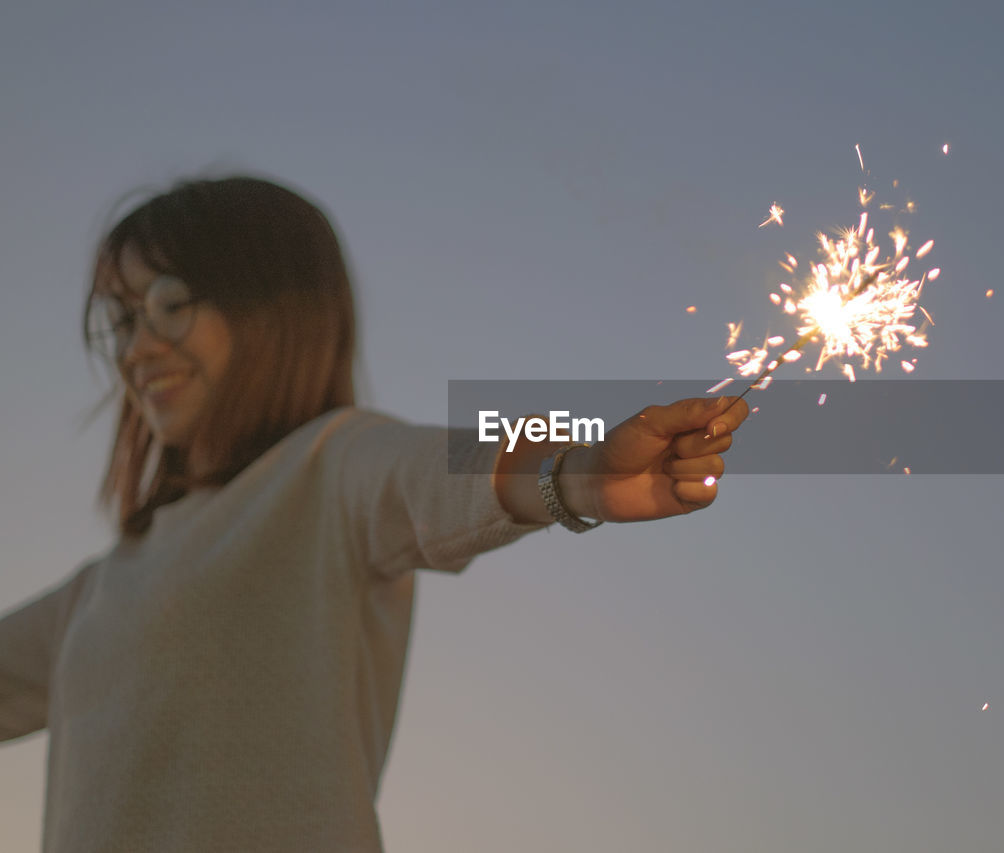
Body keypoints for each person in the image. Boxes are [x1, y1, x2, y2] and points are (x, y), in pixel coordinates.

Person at [0, 176, 748, 852]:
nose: (138, 349)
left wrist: (575, 471)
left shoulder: (330, 465)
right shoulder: (95, 592)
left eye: (169, 303)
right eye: (123, 320)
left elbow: (434, 469)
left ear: (274, 308)